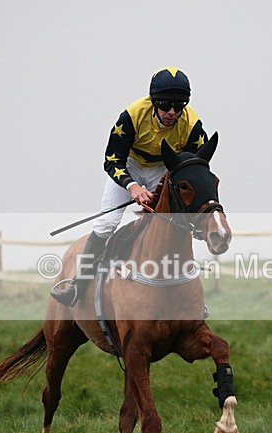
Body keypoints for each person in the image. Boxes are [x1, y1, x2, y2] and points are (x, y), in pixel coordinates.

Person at [51, 67, 209, 307]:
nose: (172, 113)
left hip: (162, 170)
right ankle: (77, 286)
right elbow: (112, 160)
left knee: (174, 221)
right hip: (129, 165)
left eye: (179, 107)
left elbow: (195, 166)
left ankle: (188, 295)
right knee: (106, 224)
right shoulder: (132, 116)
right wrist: (132, 186)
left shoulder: (192, 123)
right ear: (154, 102)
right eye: (166, 106)